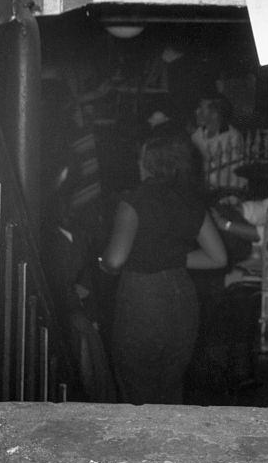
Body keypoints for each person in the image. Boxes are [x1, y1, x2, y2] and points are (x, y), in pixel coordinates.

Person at [99, 129, 227, 404]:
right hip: (182, 298)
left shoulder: (134, 201)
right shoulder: (191, 201)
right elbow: (218, 258)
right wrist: (171, 258)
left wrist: (102, 264)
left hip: (143, 298)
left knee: (137, 389)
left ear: (149, 163)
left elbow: (115, 259)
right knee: (170, 387)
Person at [191, 94, 246, 192]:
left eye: (201, 109)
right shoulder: (197, 134)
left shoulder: (232, 137)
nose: (197, 112)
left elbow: (228, 173)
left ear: (215, 114)